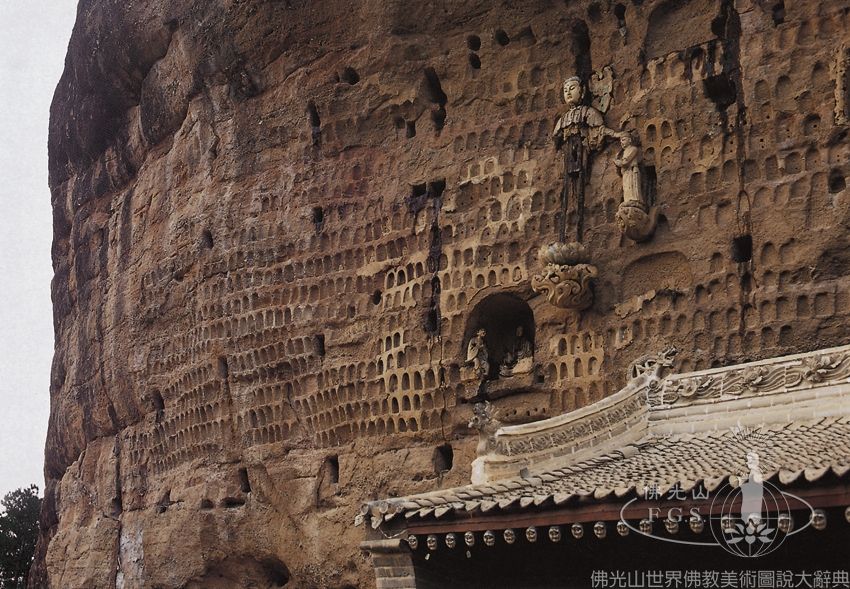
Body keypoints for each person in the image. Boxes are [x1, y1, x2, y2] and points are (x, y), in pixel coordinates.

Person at [613, 132, 644, 207]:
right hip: (626, 173)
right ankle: (628, 200)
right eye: (621, 141)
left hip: (632, 171)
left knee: (632, 187)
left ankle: (635, 201)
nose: (622, 143)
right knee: (626, 188)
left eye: (623, 140)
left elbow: (625, 162)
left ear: (629, 140)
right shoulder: (625, 151)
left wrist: (616, 161)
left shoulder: (633, 149)